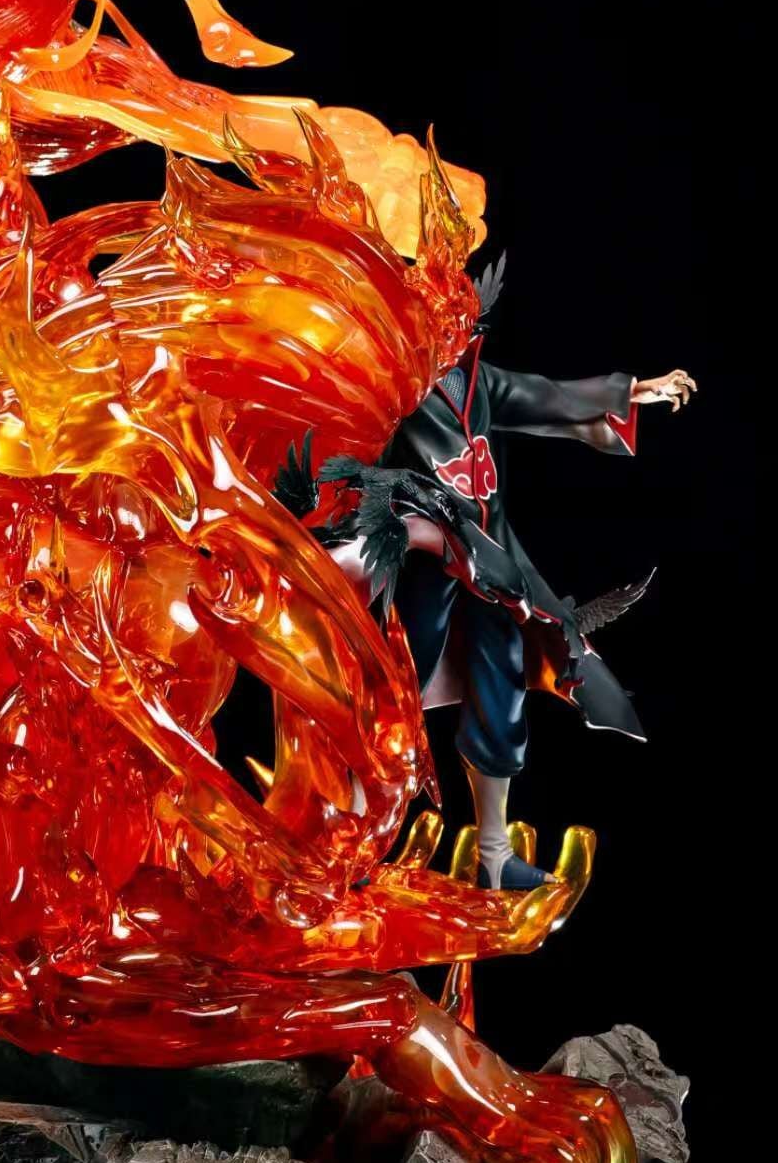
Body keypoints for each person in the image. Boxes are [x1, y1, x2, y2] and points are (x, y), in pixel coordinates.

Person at [276, 258, 696, 887]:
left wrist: (630, 390)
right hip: (419, 563)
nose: (449, 330)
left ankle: (494, 854)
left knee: (500, 692)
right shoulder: (389, 387)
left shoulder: (474, 380)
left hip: (493, 565)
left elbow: (543, 395)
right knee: (391, 698)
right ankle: (346, 840)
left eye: (457, 319)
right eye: (435, 319)